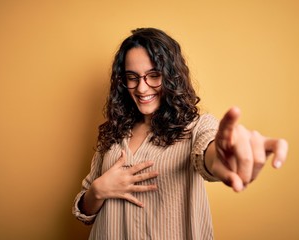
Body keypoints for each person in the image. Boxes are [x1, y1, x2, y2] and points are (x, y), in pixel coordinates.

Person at [72, 28, 288, 240]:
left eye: (153, 75)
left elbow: (208, 152)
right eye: (132, 77)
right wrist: (98, 190)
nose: (142, 88)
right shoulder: (113, 133)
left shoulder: (196, 128)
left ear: (171, 77)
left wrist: (222, 157)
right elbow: (84, 211)